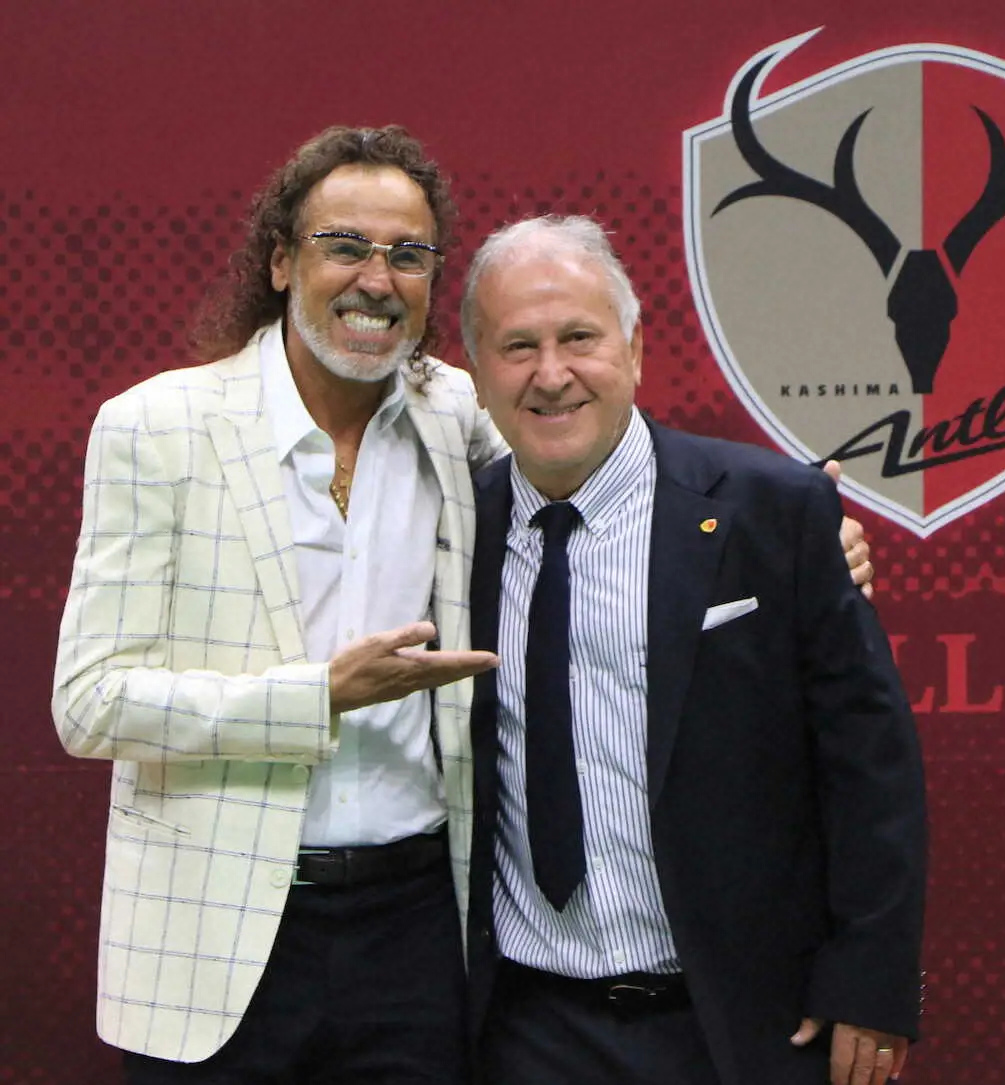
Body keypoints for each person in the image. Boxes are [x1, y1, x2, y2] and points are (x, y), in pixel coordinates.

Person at [51, 130, 873, 1083]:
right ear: (280, 260)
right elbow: (89, 702)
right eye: (344, 245)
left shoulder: (457, 410)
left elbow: (602, 453)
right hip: (213, 935)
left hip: (417, 933)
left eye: (408, 254)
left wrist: (786, 538)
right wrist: (318, 696)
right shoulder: (157, 428)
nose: (376, 278)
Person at [462, 216, 926, 1085]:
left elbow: (870, 760)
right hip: (526, 1030)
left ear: (636, 349)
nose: (551, 373)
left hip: (745, 1024)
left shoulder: (773, 511)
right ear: (478, 373)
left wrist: (873, 975)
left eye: (579, 338)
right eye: (518, 346)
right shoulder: (454, 531)